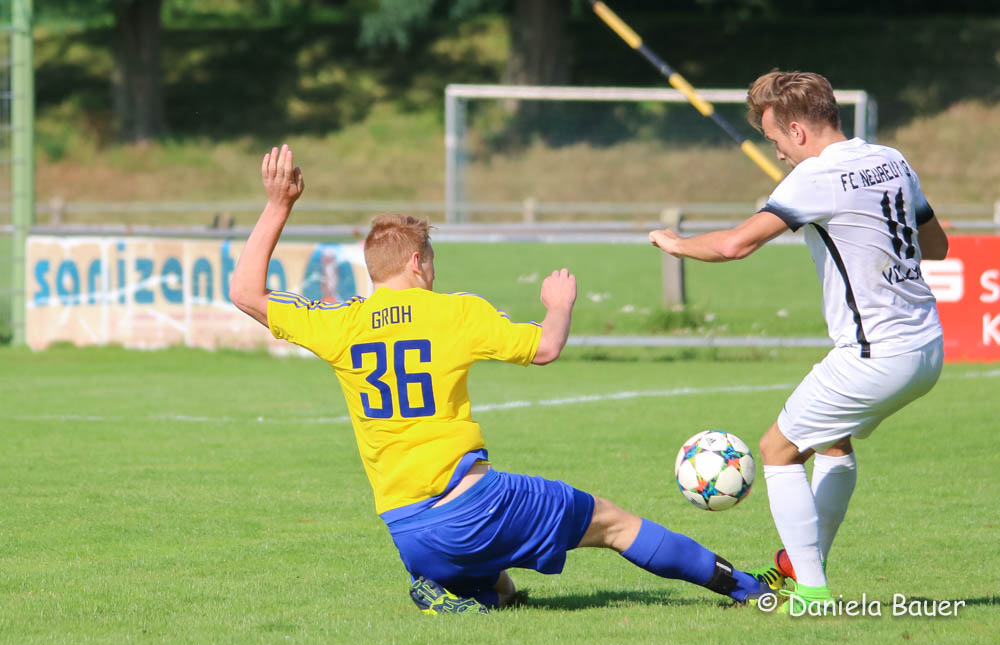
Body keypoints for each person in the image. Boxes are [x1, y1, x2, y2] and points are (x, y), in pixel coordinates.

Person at [230, 144, 777, 614]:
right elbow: (546, 348)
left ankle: (452, 588)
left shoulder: (341, 324)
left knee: (504, 588)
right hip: (476, 507)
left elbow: (245, 293)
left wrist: (279, 204)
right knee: (612, 523)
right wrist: (558, 304)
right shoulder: (454, 312)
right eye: (431, 260)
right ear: (417, 262)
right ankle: (749, 588)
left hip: (409, 533)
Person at [649, 71, 949, 611]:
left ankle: (810, 591)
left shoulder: (815, 176)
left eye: (775, 140)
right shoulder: (891, 160)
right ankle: (798, 566)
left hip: (875, 353)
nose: (779, 154)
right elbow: (938, 245)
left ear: (797, 130)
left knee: (777, 450)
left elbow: (736, 245)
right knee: (832, 442)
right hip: (926, 345)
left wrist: (675, 244)